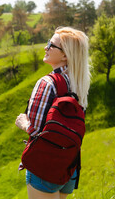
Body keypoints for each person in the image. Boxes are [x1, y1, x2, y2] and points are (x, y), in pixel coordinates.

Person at [15, 27, 91, 199]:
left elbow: (36, 131)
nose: (45, 47)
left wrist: (24, 124)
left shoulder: (47, 83)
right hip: (69, 165)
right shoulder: (79, 83)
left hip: (45, 167)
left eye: (51, 45)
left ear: (65, 55)